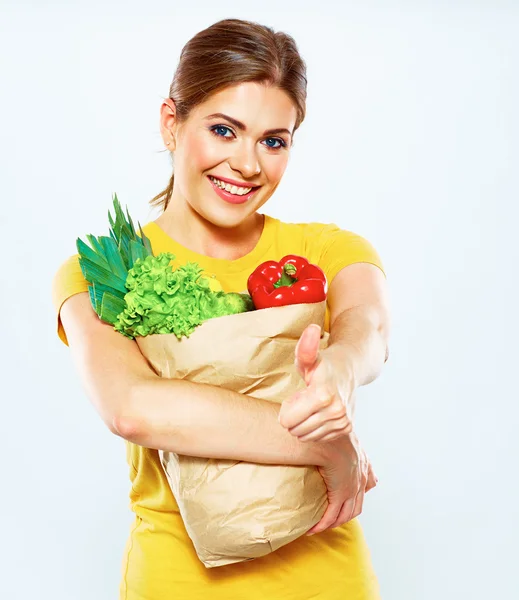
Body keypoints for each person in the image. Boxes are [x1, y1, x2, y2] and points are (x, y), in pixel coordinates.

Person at [52, 17, 390, 600]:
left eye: (273, 140)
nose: (248, 165)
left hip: (327, 577)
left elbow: (369, 327)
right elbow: (133, 407)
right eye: (224, 130)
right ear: (171, 122)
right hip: (178, 581)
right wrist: (330, 445)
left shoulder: (326, 249)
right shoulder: (106, 269)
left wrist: (341, 367)